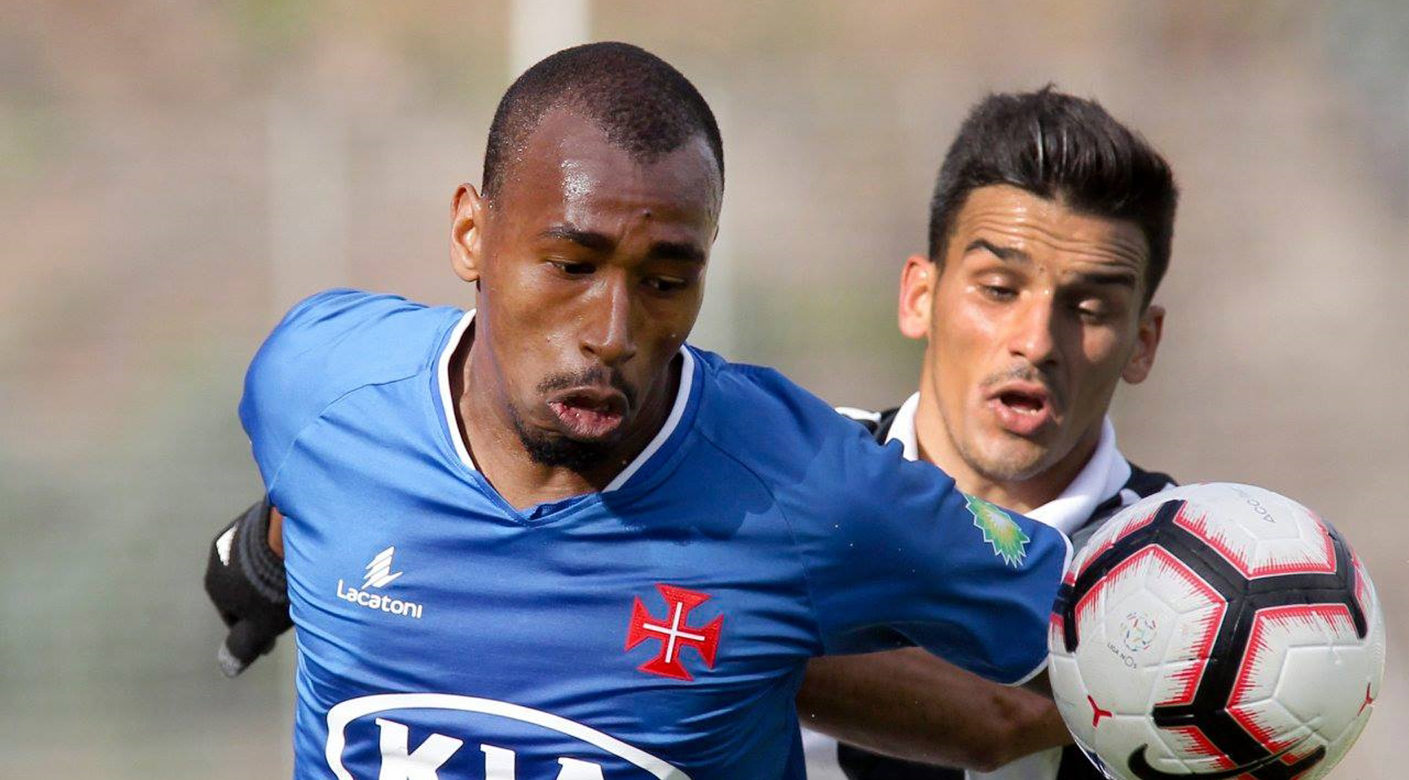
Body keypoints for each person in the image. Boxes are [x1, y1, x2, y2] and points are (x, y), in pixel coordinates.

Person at [201, 42, 1069, 779]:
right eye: (571, 266)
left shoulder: (804, 486)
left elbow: (1077, 651)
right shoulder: (318, 379)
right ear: (472, 234)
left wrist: (752, 658)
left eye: (664, 281)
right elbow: (326, 462)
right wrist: (268, 556)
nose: (612, 333)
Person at [794, 88, 1181, 780]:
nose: (1036, 341)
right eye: (999, 289)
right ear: (919, 297)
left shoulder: (1190, 570)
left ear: (1143, 343)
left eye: (1090, 308)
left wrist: (737, 621)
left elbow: (996, 719)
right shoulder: (786, 480)